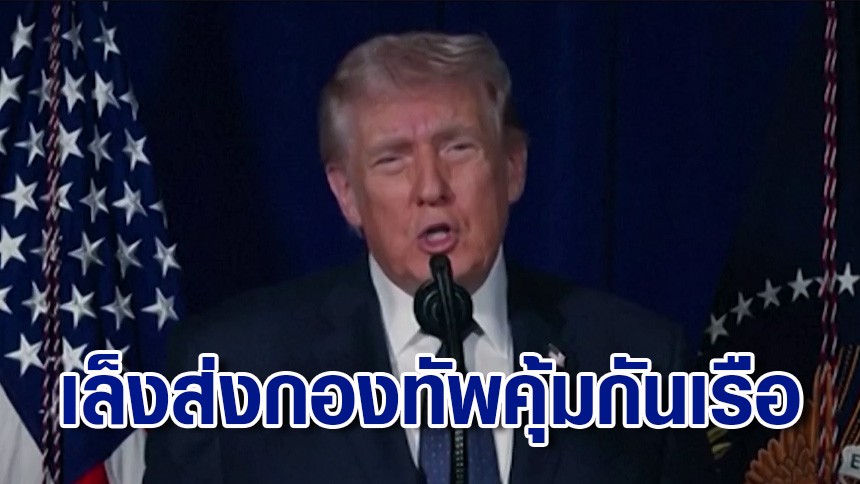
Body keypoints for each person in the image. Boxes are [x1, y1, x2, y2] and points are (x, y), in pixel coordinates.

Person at [144, 32, 715, 483]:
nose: (431, 188)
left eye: (458, 148)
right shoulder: (230, 369)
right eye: (392, 160)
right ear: (346, 194)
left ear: (513, 166)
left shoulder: (641, 361)